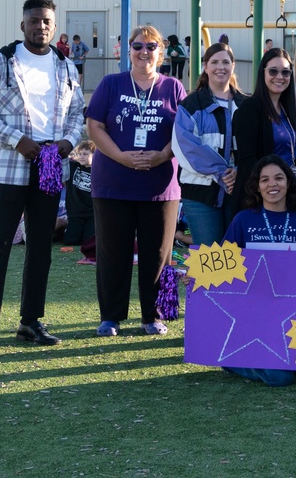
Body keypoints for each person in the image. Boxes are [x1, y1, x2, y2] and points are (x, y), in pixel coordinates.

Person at [0, 0, 85, 355]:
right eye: (34, 21)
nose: (41, 27)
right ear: (23, 25)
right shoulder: (0, 62)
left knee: (40, 248)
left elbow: (78, 111)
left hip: (50, 165)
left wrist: (68, 140)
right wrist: (17, 141)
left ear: (54, 24)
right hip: (9, 164)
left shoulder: (66, 66)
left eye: (47, 21)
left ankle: (30, 322)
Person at [87, 25, 186, 338]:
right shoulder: (111, 83)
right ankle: (110, 317)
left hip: (160, 186)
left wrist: (161, 156)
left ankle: (154, 316)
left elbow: (184, 132)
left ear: (162, 51)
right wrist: (121, 156)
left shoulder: (174, 87)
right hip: (113, 183)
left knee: (159, 254)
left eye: (151, 46)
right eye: (138, 46)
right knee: (112, 252)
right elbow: (94, 126)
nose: (145, 52)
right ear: (127, 50)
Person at [172, 43, 248, 247]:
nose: (220, 67)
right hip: (200, 194)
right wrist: (224, 173)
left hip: (240, 191)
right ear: (205, 66)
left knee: (238, 256)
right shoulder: (191, 104)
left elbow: (256, 147)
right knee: (208, 258)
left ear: (233, 65)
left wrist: (240, 171)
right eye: (214, 62)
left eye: (225, 62)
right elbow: (185, 148)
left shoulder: (247, 104)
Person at [232, 48, 296, 217]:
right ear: (262, 72)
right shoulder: (249, 108)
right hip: (260, 199)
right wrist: (269, 188)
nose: (280, 77)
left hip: (288, 195)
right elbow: (247, 160)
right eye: (273, 71)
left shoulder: (288, 110)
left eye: (285, 72)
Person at [63, 141, 95, 246]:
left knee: (89, 240)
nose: (81, 157)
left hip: (92, 213)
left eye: (85, 154)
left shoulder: (99, 170)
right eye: (80, 154)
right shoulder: (73, 166)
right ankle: (62, 229)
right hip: (75, 213)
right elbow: (62, 158)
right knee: (70, 241)